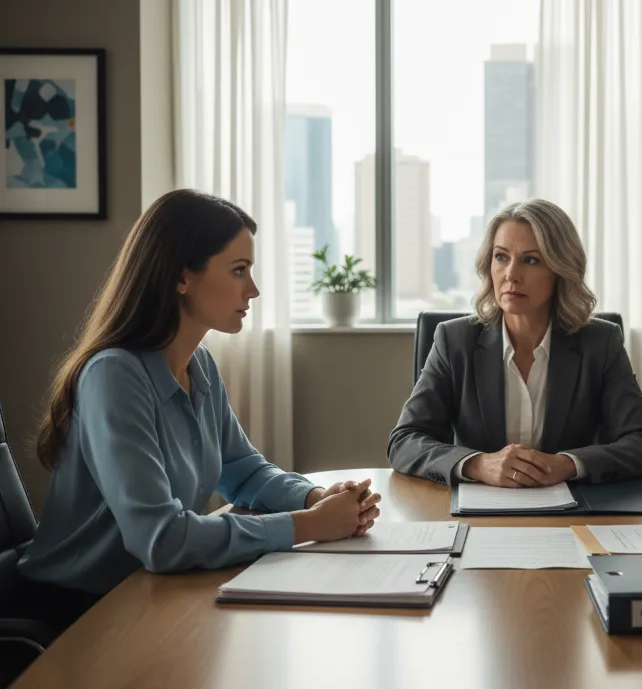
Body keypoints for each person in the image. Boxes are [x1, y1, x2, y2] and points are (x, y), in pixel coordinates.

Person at [16, 190, 380, 629]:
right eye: (239, 270)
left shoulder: (199, 364)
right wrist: (309, 525)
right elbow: (162, 540)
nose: (253, 289)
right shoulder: (114, 375)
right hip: (73, 615)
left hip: (147, 593)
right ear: (181, 277)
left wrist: (316, 498)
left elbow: (243, 471)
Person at [388, 199, 642, 487]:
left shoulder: (600, 343)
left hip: (572, 508)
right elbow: (404, 441)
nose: (511, 275)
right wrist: (478, 464)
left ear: (561, 269)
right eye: (501, 257)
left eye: (531, 260)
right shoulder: (454, 341)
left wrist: (567, 464)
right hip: (478, 506)